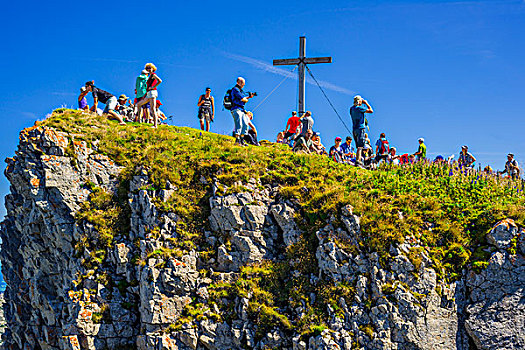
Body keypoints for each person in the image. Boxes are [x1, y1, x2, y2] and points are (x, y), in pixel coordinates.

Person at [135, 63, 162, 128]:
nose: (148, 69)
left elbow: (160, 80)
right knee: (138, 104)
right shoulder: (149, 76)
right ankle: (139, 120)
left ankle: (155, 125)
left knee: (152, 109)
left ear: (153, 68)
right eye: (147, 68)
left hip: (152, 92)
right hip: (149, 93)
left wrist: (153, 87)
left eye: (150, 68)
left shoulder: (153, 74)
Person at [230, 77, 256, 145]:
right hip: (236, 109)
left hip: (241, 109)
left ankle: (242, 140)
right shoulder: (235, 89)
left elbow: (242, 98)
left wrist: (248, 97)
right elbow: (242, 99)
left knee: (245, 124)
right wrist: (246, 99)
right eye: (242, 84)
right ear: (238, 82)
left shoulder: (240, 90)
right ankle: (237, 140)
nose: (243, 85)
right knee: (239, 124)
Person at [350, 95, 373, 166]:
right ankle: (358, 161)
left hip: (354, 128)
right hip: (360, 128)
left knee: (358, 146)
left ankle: (358, 160)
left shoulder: (351, 109)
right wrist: (366, 103)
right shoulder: (359, 108)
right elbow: (371, 110)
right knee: (360, 146)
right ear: (359, 101)